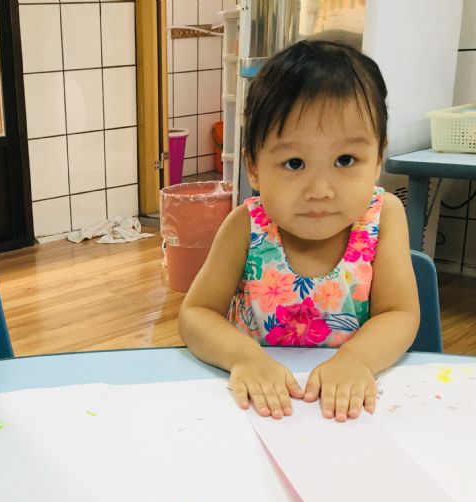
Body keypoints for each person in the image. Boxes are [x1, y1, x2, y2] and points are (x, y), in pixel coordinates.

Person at [180, 40, 419, 422]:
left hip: (348, 415)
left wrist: (357, 360)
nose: (320, 190)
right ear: (254, 167)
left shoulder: (383, 216)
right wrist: (244, 358)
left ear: (378, 159)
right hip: (261, 410)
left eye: (346, 160)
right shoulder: (247, 225)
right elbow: (196, 313)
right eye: (294, 163)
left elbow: (399, 313)